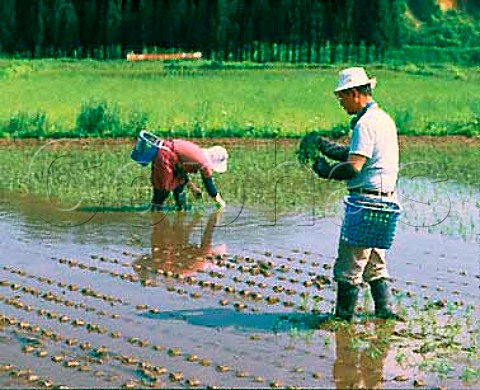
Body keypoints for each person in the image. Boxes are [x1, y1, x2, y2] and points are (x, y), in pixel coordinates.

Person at [305, 67, 401, 322]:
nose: (341, 103)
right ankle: (385, 310)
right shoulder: (383, 118)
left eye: (342, 97)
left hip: (366, 203)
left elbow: (353, 166)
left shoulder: (366, 124)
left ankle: (342, 318)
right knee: (374, 260)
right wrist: (326, 146)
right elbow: (357, 153)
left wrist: (325, 170)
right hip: (385, 201)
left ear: (355, 93)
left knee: (349, 263)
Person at [133, 211, 227, 280]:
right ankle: (213, 216)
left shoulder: (162, 263)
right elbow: (183, 236)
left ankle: (213, 216)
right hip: (188, 258)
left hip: (191, 259)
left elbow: (180, 237)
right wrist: (196, 221)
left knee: (207, 230)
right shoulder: (161, 264)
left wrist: (195, 221)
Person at [150, 139, 228, 211]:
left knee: (180, 185)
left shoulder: (199, 154)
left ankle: (181, 210)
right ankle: (155, 213)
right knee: (163, 191)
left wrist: (192, 187)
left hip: (167, 155)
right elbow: (209, 184)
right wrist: (220, 202)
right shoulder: (205, 162)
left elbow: (180, 170)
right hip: (165, 157)